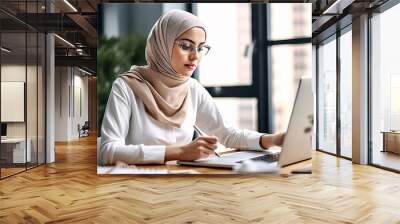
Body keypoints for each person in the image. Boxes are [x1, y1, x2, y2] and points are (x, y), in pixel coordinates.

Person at [100, 9, 285, 165]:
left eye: (201, 47)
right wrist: (180, 152)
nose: (195, 56)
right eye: (186, 46)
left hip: (183, 184)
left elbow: (226, 133)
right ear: (162, 45)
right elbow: (108, 150)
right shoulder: (126, 86)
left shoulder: (192, 88)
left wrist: (273, 140)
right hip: (137, 187)